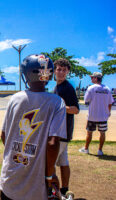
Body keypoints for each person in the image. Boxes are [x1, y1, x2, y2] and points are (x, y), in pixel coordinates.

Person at [0, 54, 67, 200]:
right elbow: (53, 143)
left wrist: (20, 152)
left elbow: (4, 135)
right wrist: (49, 175)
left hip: (9, 181)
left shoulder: (15, 99)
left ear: (26, 75)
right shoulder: (57, 103)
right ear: (48, 75)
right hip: (36, 188)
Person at [53, 58, 80, 196]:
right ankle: (64, 189)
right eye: (58, 69)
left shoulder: (67, 88)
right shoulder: (57, 87)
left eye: (64, 70)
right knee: (63, 161)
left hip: (61, 132)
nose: (61, 72)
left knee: (49, 162)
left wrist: (61, 107)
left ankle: (53, 192)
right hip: (62, 131)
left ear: (68, 72)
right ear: (54, 71)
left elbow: (75, 109)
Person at [79, 72, 114, 156]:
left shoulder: (91, 88)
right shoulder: (107, 89)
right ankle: (100, 150)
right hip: (103, 116)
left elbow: (86, 100)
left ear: (95, 78)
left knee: (89, 133)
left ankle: (86, 148)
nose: (91, 79)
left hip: (92, 116)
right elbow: (110, 103)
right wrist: (108, 112)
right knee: (102, 133)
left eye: (92, 78)